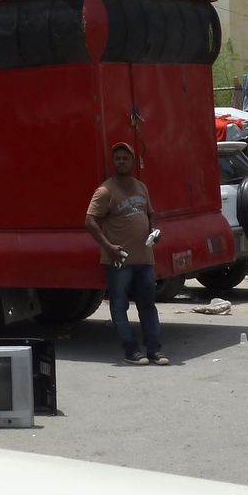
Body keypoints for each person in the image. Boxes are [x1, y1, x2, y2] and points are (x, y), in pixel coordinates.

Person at [85, 142, 167, 366]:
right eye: (118, 158)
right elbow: (90, 221)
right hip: (119, 260)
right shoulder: (105, 190)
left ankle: (154, 351)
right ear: (114, 163)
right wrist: (109, 247)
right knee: (120, 306)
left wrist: (154, 230)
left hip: (145, 259)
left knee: (148, 305)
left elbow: (151, 214)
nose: (121, 161)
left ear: (132, 161)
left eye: (125, 158)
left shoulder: (141, 187)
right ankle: (131, 350)